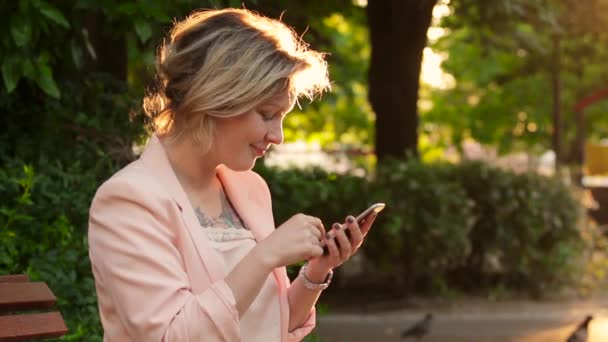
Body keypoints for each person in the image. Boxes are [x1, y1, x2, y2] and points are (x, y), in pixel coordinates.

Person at [88, 8, 379, 342]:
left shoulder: (249, 189)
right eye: (267, 114)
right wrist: (266, 254)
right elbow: (171, 336)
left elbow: (270, 328)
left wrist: (316, 272)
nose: (278, 136)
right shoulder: (128, 201)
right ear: (217, 98)